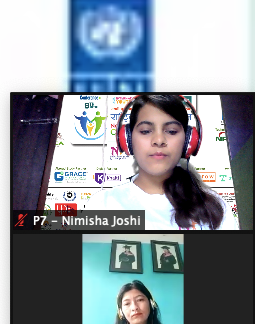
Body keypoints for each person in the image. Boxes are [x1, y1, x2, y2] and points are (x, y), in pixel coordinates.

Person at [96, 93, 236, 230]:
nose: (159, 140)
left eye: (171, 131)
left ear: (188, 140)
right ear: (127, 139)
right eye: (145, 131)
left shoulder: (215, 208)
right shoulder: (103, 205)